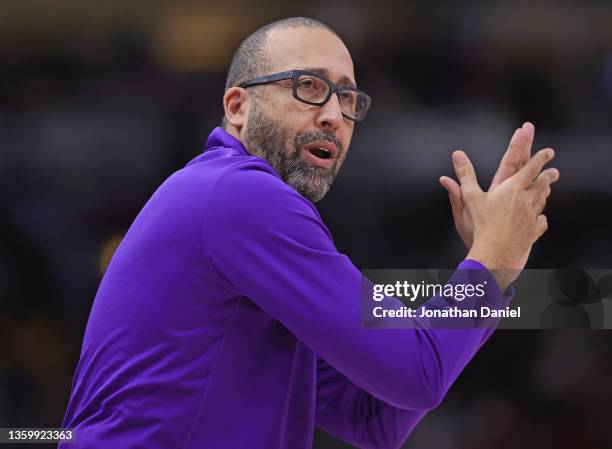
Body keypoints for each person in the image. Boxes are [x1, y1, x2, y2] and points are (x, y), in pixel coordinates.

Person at [60, 17, 559, 449]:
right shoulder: (240, 196)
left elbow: (375, 418)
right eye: (309, 87)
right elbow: (416, 374)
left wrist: (491, 262)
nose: (334, 114)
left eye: (347, 98)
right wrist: (491, 259)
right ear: (237, 107)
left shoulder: (228, 213)